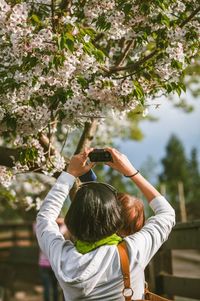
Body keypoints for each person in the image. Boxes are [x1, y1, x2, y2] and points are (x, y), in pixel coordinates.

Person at [36, 147, 175, 301]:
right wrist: (131, 171)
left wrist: (69, 174)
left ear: (71, 221)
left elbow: (44, 218)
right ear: (116, 219)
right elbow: (167, 213)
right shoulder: (132, 251)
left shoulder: (62, 259)